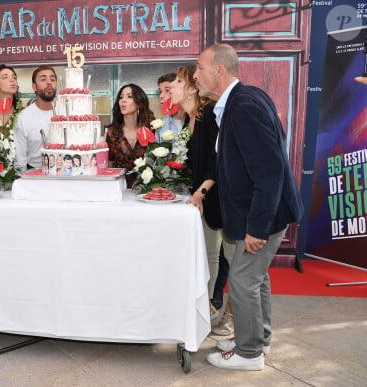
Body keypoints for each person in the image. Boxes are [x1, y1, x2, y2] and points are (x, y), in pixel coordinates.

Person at [194, 43, 303, 370]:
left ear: (218, 71)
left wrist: (257, 227)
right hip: (259, 212)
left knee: (242, 282)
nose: (195, 74)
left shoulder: (243, 106)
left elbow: (268, 172)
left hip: (264, 216)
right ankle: (258, 338)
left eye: (199, 67)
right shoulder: (241, 100)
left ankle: (249, 353)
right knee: (257, 280)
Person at [170, 65, 236, 327]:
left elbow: (217, 161)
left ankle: (236, 319)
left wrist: (200, 191)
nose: (171, 86)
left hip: (221, 197)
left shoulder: (209, 115)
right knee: (209, 258)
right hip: (204, 200)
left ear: (190, 87)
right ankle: (206, 312)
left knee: (234, 260)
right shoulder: (188, 119)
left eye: (176, 81)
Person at [106, 84, 155, 188]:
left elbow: (157, 163)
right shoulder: (112, 132)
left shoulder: (150, 130)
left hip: (145, 189)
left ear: (139, 102)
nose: (123, 100)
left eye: (129, 96)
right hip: (119, 189)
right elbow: (109, 164)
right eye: (121, 97)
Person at [14, 65, 57, 172]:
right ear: (34, 87)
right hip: (34, 173)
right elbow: (20, 156)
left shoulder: (68, 112)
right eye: (43, 79)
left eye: (52, 79)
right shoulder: (23, 117)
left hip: (67, 172)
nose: (49, 82)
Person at [156, 72, 184, 140]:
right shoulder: (160, 125)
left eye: (167, 90)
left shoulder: (194, 120)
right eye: (160, 91)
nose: (161, 96)